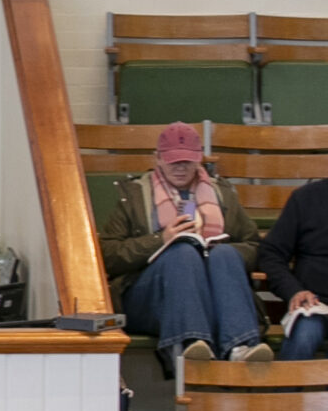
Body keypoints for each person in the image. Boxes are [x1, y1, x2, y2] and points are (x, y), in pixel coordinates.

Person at [100, 122, 267, 371]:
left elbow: (253, 245)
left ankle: (240, 346)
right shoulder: (134, 195)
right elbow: (109, 255)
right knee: (182, 253)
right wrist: (160, 240)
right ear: (158, 159)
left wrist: (215, 253)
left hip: (214, 291)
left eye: (187, 162)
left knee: (224, 254)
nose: (180, 168)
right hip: (152, 295)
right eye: (172, 161)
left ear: (199, 160)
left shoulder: (223, 193)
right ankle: (190, 342)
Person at [256, 176, 328, 362]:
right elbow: (271, 253)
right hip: (314, 305)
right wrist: (294, 291)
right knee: (304, 336)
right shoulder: (305, 198)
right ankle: (284, 391)